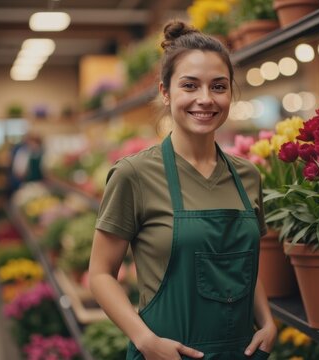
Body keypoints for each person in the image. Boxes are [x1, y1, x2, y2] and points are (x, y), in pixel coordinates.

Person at [89, 20, 277, 360]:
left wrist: (266, 321)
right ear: (165, 92)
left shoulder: (247, 174)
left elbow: (243, 266)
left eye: (218, 87)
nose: (205, 99)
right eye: (190, 86)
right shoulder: (134, 174)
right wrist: (146, 341)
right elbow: (100, 274)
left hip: (242, 352)